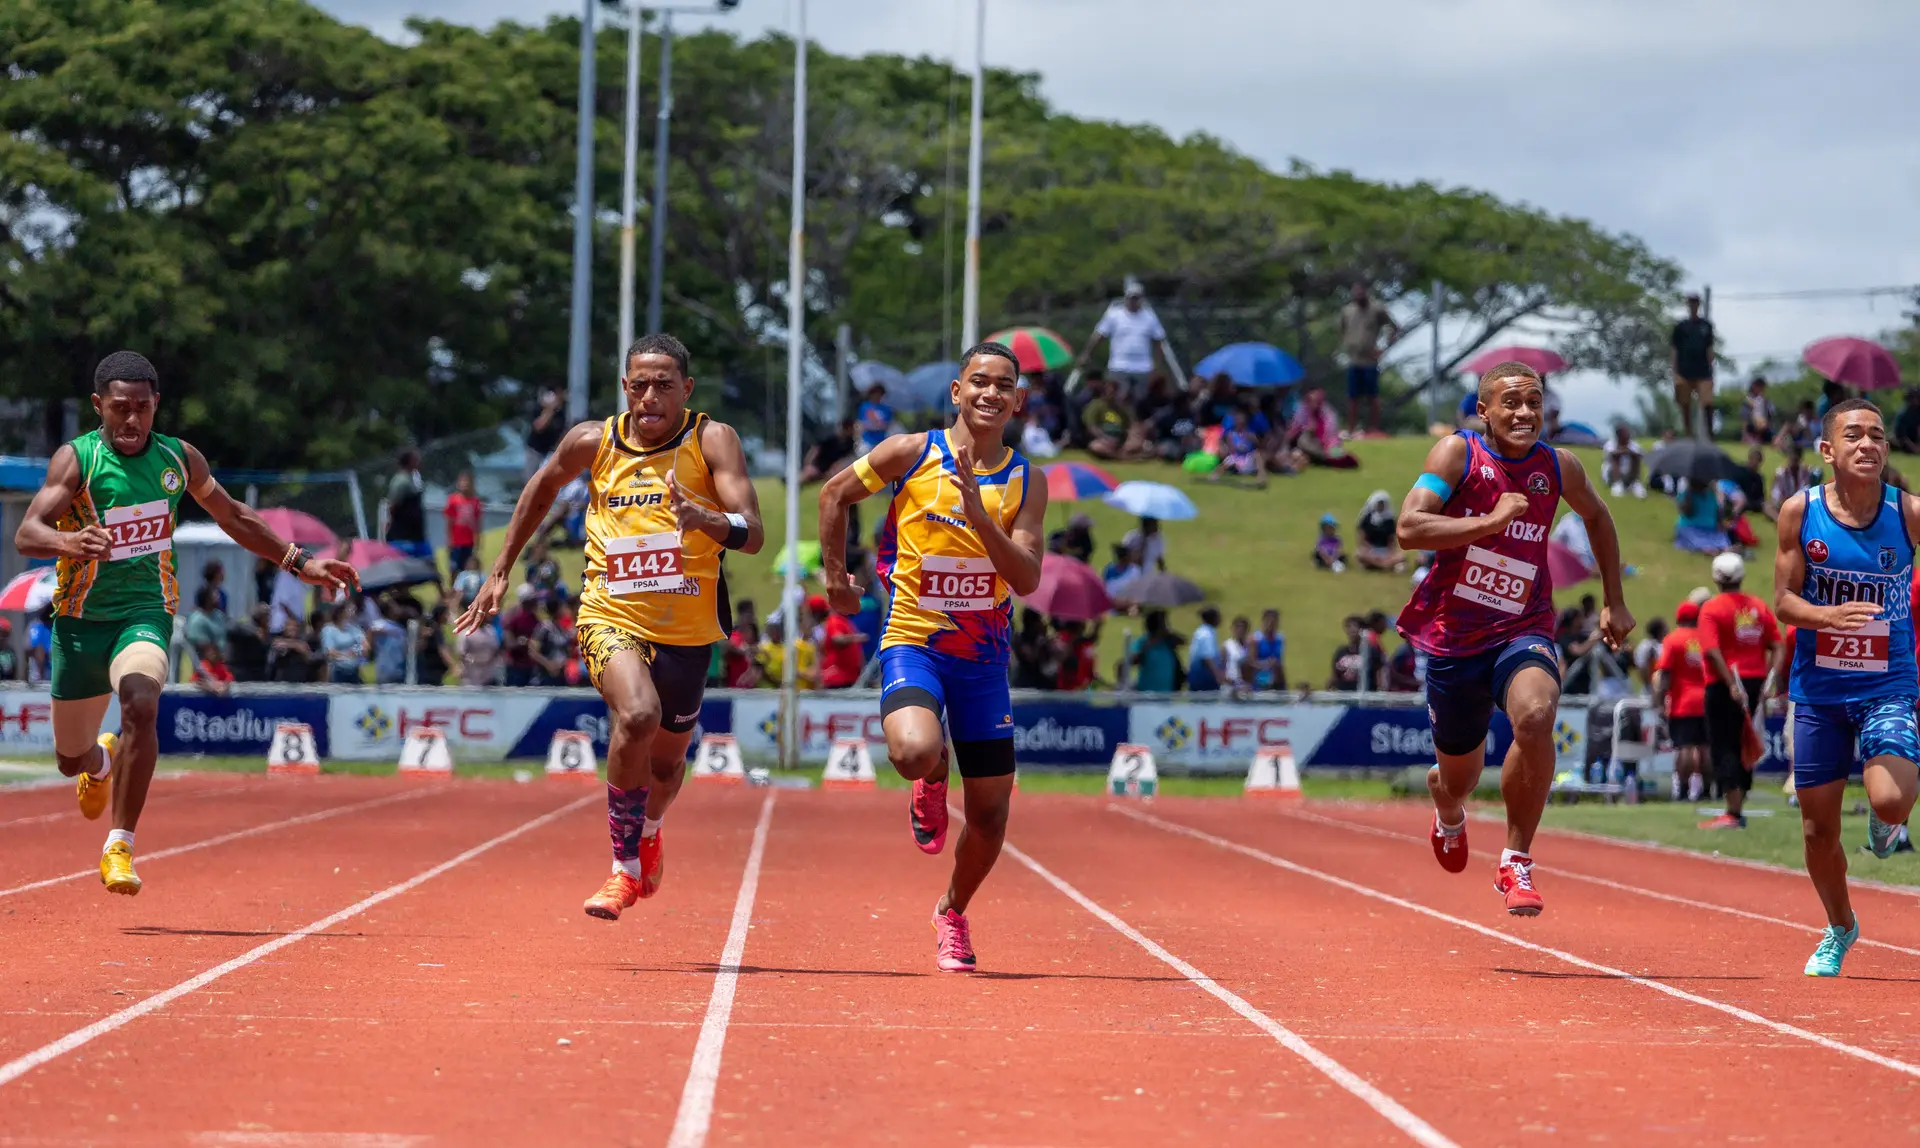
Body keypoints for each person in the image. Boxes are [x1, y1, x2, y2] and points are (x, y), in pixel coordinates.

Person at [11, 350, 354, 895]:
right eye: (120, 408)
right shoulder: (76, 461)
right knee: (68, 757)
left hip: (145, 612)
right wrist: (68, 541)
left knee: (142, 706)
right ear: (99, 406)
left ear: (156, 406)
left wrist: (301, 562)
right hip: (79, 622)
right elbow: (27, 532)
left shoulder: (179, 458)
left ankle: (119, 846)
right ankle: (98, 765)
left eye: (142, 408)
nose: (132, 421)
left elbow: (235, 516)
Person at [458, 333, 763, 922]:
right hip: (610, 614)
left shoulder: (712, 439)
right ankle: (622, 869)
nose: (650, 397)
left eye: (664, 386)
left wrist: (704, 517)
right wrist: (500, 570)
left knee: (668, 767)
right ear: (625, 388)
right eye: (639, 385)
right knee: (638, 713)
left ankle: (648, 829)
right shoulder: (593, 442)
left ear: (686, 390)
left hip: (688, 629)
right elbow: (541, 489)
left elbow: (753, 532)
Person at [818, 340, 1046, 973]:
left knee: (991, 817)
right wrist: (835, 576)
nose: (990, 393)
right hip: (915, 641)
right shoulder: (911, 453)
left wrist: (980, 514)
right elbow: (833, 494)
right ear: (956, 391)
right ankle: (932, 773)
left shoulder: (1027, 478)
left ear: (1018, 400)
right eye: (979, 381)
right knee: (913, 751)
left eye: (1004, 385)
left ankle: (951, 910)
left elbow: (1025, 578)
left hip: (982, 662)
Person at [1395, 359, 1634, 916]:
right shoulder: (1458, 455)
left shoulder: (1561, 465)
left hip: (1522, 627)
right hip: (1455, 639)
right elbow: (1409, 528)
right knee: (1461, 778)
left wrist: (1614, 599)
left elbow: (1598, 519)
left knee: (1535, 715)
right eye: (1512, 403)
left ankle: (1516, 860)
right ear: (1484, 411)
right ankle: (1447, 805)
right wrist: (1487, 523)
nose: (1526, 413)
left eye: (1535, 402)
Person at [1772, 397, 1920, 976]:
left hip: (1889, 683)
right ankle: (1840, 927)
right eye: (1854, 435)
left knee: (1889, 797)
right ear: (1827, 451)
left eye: (1877, 436)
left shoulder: (1907, 513)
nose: (1868, 445)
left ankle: (1887, 823)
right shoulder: (1798, 512)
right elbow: (1782, 601)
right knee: (1817, 831)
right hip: (1819, 692)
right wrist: (1826, 618)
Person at [1696, 552, 1779, 829]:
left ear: (1716, 578)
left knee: (1724, 745)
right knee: (1746, 742)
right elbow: (1778, 645)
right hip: (1755, 681)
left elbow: (1711, 650)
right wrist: (1772, 678)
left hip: (1725, 683)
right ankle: (1738, 805)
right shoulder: (1758, 606)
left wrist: (1731, 684)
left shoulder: (1711, 608)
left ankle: (1732, 811)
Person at [1653, 600, 1711, 803]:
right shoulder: (1706, 638)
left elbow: (1663, 674)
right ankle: (1707, 790)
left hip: (1682, 702)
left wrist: (1659, 700)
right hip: (1706, 701)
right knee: (1705, 747)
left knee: (1685, 747)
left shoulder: (1672, 640)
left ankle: (1684, 791)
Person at [1078, 281, 1172, 404]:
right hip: (1118, 366)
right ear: (1126, 298)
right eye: (1132, 298)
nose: (1134, 301)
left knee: (1141, 401)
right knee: (1116, 399)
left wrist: (1157, 366)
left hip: (1142, 367)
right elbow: (1100, 336)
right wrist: (1087, 353)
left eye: (1137, 298)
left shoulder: (1150, 318)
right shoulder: (1114, 315)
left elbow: (1159, 342)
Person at [1339, 281, 1399, 436]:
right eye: (1355, 293)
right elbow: (1343, 330)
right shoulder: (1347, 311)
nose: (1358, 296)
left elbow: (1394, 327)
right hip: (1353, 360)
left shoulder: (1377, 309)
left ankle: (1373, 430)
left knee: (1373, 397)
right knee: (1352, 397)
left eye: (1361, 292)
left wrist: (1384, 348)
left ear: (1366, 292)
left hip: (1370, 361)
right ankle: (1351, 430)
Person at [1670, 293, 1716, 437]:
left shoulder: (1706, 326)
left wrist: (1711, 367)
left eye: (1695, 303)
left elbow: (1709, 348)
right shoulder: (1681, 327)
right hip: (1685, 370)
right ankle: (1688, 433)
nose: (1693, 306)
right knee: (1685, 404)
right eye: (1691, 303)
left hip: (1703, 370)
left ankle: (1709, 433)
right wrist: (1674, 370)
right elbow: (1674, 348)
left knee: (1707, 402)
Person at [384, 449, 430, 561]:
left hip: (416, 535)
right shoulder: (400, 481)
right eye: (416, 459)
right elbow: (393, 505)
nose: (419, 462)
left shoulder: (414, 478)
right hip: (403, 536)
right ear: (409, 461)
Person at [814, 593, 866, 688]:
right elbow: (837, 639)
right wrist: (857, 638)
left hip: (846, 677)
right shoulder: (835, 620)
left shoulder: (842, 620)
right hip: (838, 678)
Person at [1128, 610, 1184, 693]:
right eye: (1164, 623)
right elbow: (1131, 660)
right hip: (1147, 692)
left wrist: (1167, 633)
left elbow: (1183, 641)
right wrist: (1145, 648)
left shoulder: (1167, 642)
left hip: (1166, 693)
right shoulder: (1143, 641)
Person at [1673, 478, 1731, 555]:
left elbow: (1718, 515)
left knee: (1719, 538)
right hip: (1695, 528)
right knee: (1706, 540)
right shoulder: (1688, 495)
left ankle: (1715, 549)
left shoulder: (1711, 495)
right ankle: (1715, 549)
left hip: (1706, 529)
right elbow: (1684, 511)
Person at [1079, 376, 1132, 460]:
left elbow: (1129, 428)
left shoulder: (1121, 409)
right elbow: (1091, 427)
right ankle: (1120, 456)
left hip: (1119, 441)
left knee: (1137, 445)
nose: (1113, 393)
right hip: (1102, 440)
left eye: (1115, 391)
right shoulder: (1095, 405)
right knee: (1095, 447)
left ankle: (1119, 454)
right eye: (1110, 390)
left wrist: (1126, 441)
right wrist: (1106, 438)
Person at [444, 470, 483, 576]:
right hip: (456, 542)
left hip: (469, 542)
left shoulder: (475, 502)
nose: (465, 484)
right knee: (454, 568)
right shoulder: (453, 500)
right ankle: (453, 589)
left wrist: (478, 540)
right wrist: (449, 540)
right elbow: (449, 522)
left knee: (467, 567)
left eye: (468, 482)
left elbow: (477, 523)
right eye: (463, 481)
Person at [320, 601, 368, 684]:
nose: (353, 612)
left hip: (354, 671)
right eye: (349, 609)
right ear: (340, 612)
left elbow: (365, 647)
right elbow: (329, 652)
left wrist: (356, 652)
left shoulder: (355, 629)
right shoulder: (328, 630)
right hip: (337, 672)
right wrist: (349, 654)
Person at [1355, 491, 1403, 572]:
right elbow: (1362, 539)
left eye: (1382, 503)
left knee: (1401, 557)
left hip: (1385, 550)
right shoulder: (1366, 518)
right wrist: (1371, 551)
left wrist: (1390, 553)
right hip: (1370, 549)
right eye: (1379, 503)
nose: (1381, 505)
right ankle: (1384, 565)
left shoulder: (1390, 520)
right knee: (1359, 553)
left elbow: (1391, 541)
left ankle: (1377, 565)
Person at [801, 417, 858, 484]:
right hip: (819, 466)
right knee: (808, 473)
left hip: (833, 469)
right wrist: (808, 463)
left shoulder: (850, 443)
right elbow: (815, 450)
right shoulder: (829, 438)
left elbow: (846, 459)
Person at [524, 388, 566, 478]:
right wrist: (550, 409)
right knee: (531, 478)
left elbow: (561, 432)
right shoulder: (537, 410)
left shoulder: (560, 414)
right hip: (535, 450)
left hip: (549, 451)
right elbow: (539, 426)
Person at [1766, 443, 1814, 521]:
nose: (1793, 461)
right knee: (1768, 506)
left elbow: (1806, 489)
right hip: (1783, 503)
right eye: (1791, 458)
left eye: (1795, 459)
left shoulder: (1806, 472)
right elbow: (1775, 493)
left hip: (1799, 503)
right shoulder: (1781, 472)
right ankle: (1780, 520)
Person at [1601, 424, 1646, 498]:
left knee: (1635, 458)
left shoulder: (1634, 445)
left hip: (1628, 473)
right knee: (1616, 458)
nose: (1628, 435)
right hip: (1611, 474)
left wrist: (1630, 452)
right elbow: (1612, 454)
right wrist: (1624, 451)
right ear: (1619, 436)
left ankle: (1635, 483)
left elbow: (1641, 454)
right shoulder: (1610, 444)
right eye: (1626, 433)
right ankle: (1617, 484)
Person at [1187, 607, 1223, 692]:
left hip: (1196, 676)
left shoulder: (1200, 631)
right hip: (1204, 677)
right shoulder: (1207, 634)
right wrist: (1217, 675)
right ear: (1214, 618)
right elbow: (1207, 658)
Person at [1252, 609, 1287, 691]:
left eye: (1274, 623)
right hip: (1260, 676)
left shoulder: (1280, 639)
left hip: (1276, 678)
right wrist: (1267, 664)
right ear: (1263, 622)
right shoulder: (1256, 639)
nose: (1271, 625)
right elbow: (1251, 662)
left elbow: (1280, 661)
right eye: (1269, 622)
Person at [856, 383, 896, 452]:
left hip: (881, 441)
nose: (877, 395)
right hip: (866, 441)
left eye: (879, 393)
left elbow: (887, 425)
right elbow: (861, 423)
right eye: (875, 393)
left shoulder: (886, 409)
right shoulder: (864, 406)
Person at [1221, 614, 1251, 695]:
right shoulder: (1227, 645)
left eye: (1243, 628)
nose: (1240, 630)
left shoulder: (1250, 646)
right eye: (1237, 627)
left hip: (1246, 687)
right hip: (1230, 686)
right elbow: (1221, 667)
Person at [1741, 377, 1776, 445]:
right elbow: (1745, 418)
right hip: (1752, 425)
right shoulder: (1748, 400)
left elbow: (1771, 413)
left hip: (1764, 426)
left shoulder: (1765, 400)